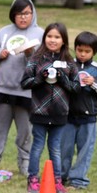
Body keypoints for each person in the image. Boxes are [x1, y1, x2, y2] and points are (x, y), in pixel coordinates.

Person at [0, 0, 44, 176]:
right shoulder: (4, 32)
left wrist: (29, 54)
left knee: (25, 132)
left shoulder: (40, 34)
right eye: (19, 13)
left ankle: (25, 163)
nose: (23, 17)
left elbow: (42, 63)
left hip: (26, 91)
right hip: (3, 88)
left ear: (33, 14)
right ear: (12, 15)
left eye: (27, 13)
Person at [21, 22, 80, 193]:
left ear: (64, 41)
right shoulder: (36, 59)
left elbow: (76, 88)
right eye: (49, 36)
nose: (53, 40)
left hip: (60, 114)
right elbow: (25, 83)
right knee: (37, 146)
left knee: (55, 148)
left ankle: (57, 180)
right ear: (44, 37)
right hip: (39, 112)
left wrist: (63, 79)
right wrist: (39, 77)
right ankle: (33, 179)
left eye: (57, 37)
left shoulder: (69, 62)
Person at [61, 31, 97, 190]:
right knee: (65, 149)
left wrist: (93, 84)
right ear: (74, 49)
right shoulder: (69, 66)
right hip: (68, 116)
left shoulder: (96, 70)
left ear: (94, 52)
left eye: (87, 51)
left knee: (84, 151)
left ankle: (78, 180)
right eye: (79, 50)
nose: (83, 54)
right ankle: (61, 176)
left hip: (89, 118)